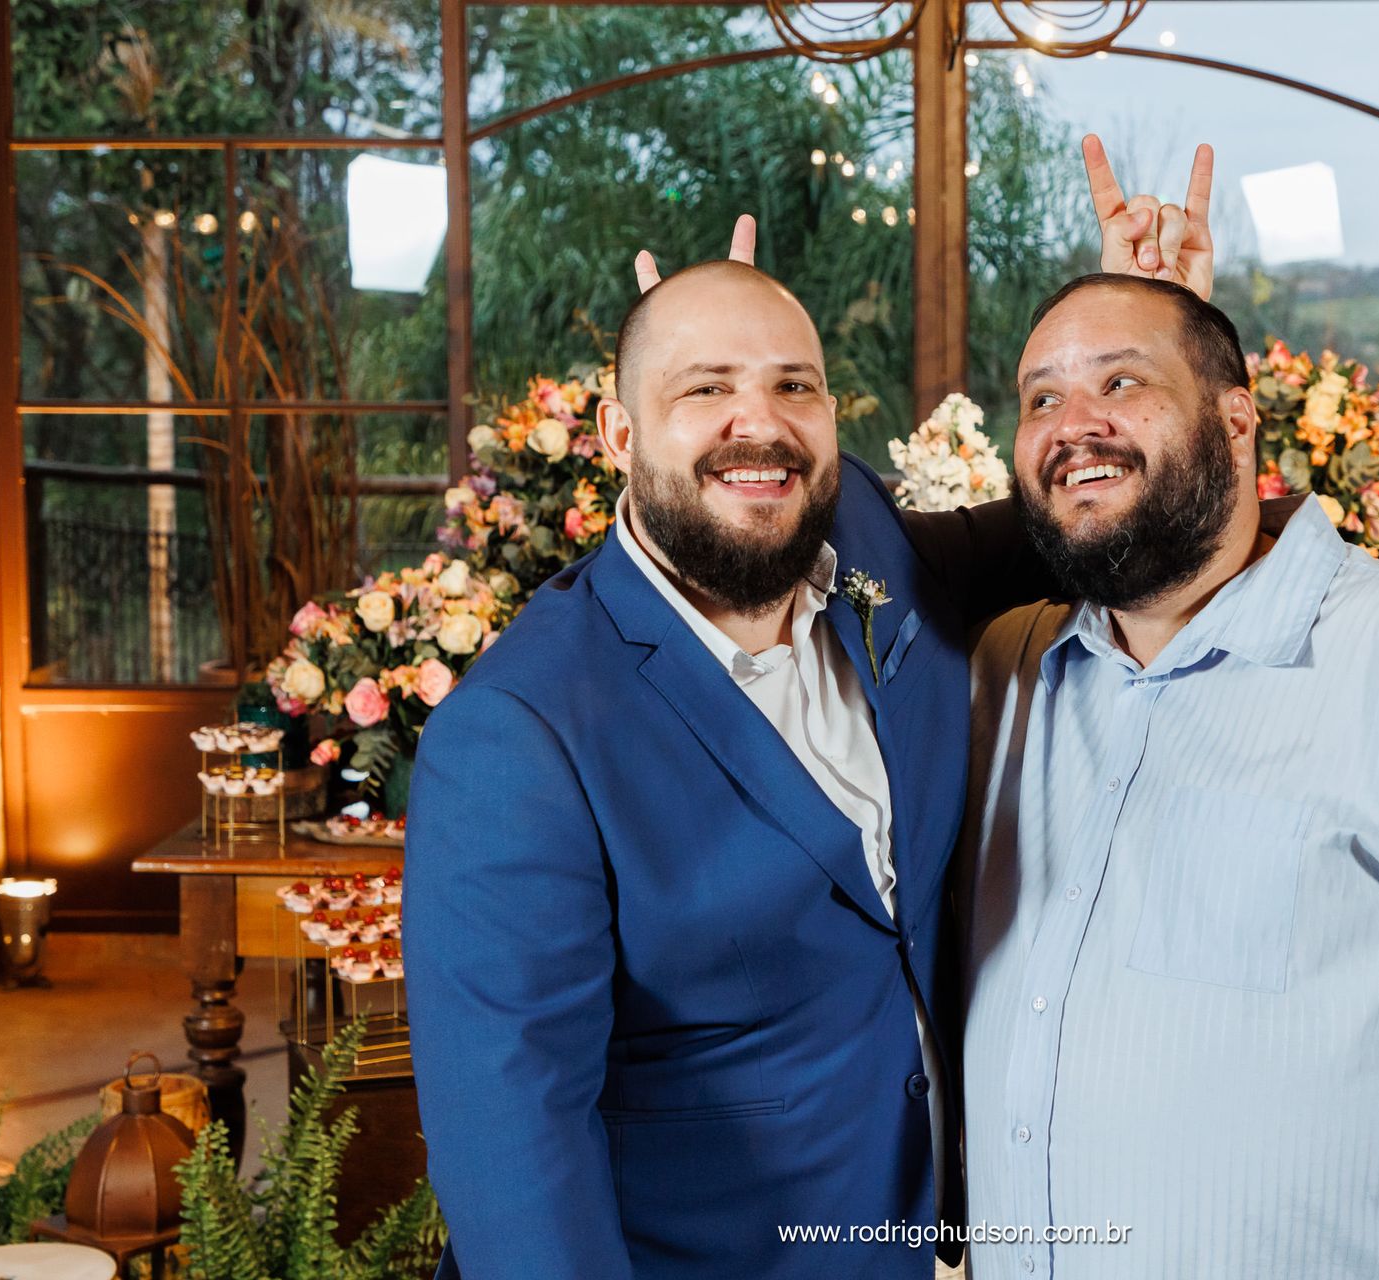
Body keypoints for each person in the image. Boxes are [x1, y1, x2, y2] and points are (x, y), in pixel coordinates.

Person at [403, 141, 1212, 1279]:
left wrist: (1152, 335)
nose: (761, 423)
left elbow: (1075, 524)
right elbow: (517, 1164)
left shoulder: (871, 544)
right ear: (619, 436)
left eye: (794, 384)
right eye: (705, 389)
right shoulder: (520, 735)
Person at [957, 268, 1379, 1279]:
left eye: (1121, 382)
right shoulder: (1010, 678)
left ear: (1237, 422)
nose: (1075, 424)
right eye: (1041, 397)